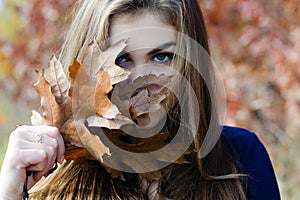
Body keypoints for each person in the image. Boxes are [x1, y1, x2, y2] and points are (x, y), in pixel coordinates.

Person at [0, 0, 280, 199]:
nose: (141, 84)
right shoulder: (49, 169)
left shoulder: (238, 159)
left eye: (161, 57)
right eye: (121, 59)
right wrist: (10, 194)